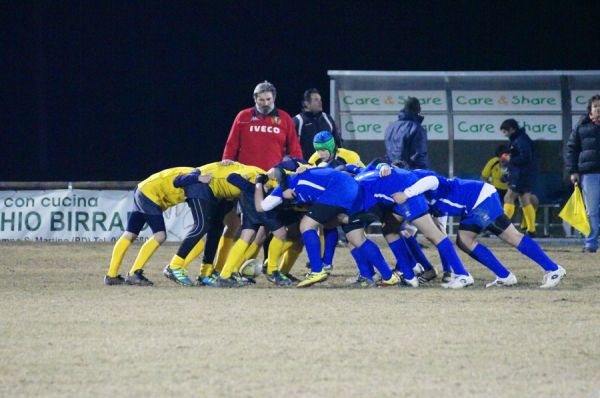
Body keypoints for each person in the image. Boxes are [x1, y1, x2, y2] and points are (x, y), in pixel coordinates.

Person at [395, 167, 567, 288]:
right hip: (473, 205)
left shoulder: (416, 180)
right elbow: (440, 224)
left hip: (480, 198)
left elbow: (431, 179)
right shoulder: (420, 199)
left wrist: (407, 193)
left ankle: (552, 269)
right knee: (465, 240)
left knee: (508, 237)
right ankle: (506, 277)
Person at [256, 167, 400, 288]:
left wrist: (259, 183)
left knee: (306, 225)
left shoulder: (281, 187)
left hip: (338, 189)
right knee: (355, 238)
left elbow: (261, 206)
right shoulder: (298, 174)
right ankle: (387, 276)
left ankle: (317, 270)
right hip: (350, 186)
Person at [104, 167, 211, 286]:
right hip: (150, 194)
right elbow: (180, 180)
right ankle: (135, 273)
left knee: (130, 233)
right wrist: (198, 178)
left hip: (143, 189)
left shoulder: (199, 175)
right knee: (160, 236)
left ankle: (111, 275)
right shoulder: (198, 177)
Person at [222, 80, 303, 172]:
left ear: (274, 98)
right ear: (255, 99)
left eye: (269, 99)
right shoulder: (243, 116)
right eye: (261, 100)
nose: (266, 103)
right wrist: (227, 159)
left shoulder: (285, 118)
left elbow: (294, 147)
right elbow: (232, 143)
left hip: (274, 174)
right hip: (246, 173)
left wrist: (299, 164)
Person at [566, 94, 600, 253]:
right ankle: (590, 244)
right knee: (591, 211)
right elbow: (571, 149)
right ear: (590, 109)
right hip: (589, 174)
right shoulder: (581, 126)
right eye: (596, 106)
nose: (598, 109)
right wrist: (573, 171)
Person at [500, 119, 538, 236]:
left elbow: (526, 157)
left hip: (521, 174)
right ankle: (531, 230)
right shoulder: (521, 138)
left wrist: (510, 160)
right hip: (526, 174)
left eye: (505, 131)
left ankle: (503, 227)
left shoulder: (520, 140)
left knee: (508, 198)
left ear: (512, 129)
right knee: (524, 200)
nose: (505, 134)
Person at [293, 88, 341, 159]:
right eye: (316, 100)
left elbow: (337, 142)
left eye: (320, 99)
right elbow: (291, 147)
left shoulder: (328, 119)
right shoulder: (298, 121)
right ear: (307, 103)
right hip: (306, 166)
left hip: (327, 166)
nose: (320, 102)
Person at [384, 96, 428, 169]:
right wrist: (423, 173)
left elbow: (388, 153)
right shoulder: (416, 128)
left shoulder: (391, 127)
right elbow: (419, 154)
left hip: (392, 171)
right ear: (417, 109)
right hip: (409, 174)